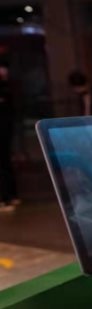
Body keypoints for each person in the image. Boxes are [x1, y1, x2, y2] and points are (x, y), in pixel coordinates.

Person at [0, 62, 18, 212]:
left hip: (3, 133)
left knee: (3, 165)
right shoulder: (7, 89)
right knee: (5, 164)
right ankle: (11, 197)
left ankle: (7, 199)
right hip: (5, 133)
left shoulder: (5, 90)